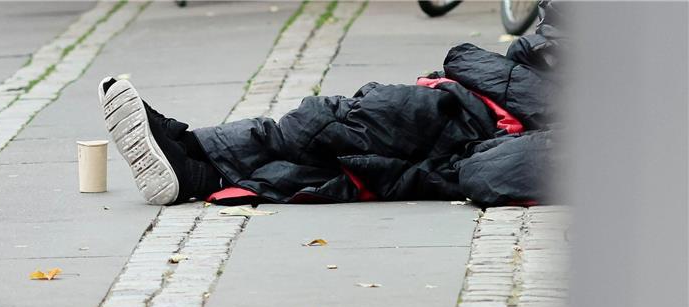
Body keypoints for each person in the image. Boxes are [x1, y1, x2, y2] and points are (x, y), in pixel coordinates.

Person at [98, 2, 563, 207]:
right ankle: (192, 159)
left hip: (490, 127)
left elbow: (489, 172)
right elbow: (533, 52)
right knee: (337, 131)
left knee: (339, 138)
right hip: (480, 106)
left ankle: (196, 164)